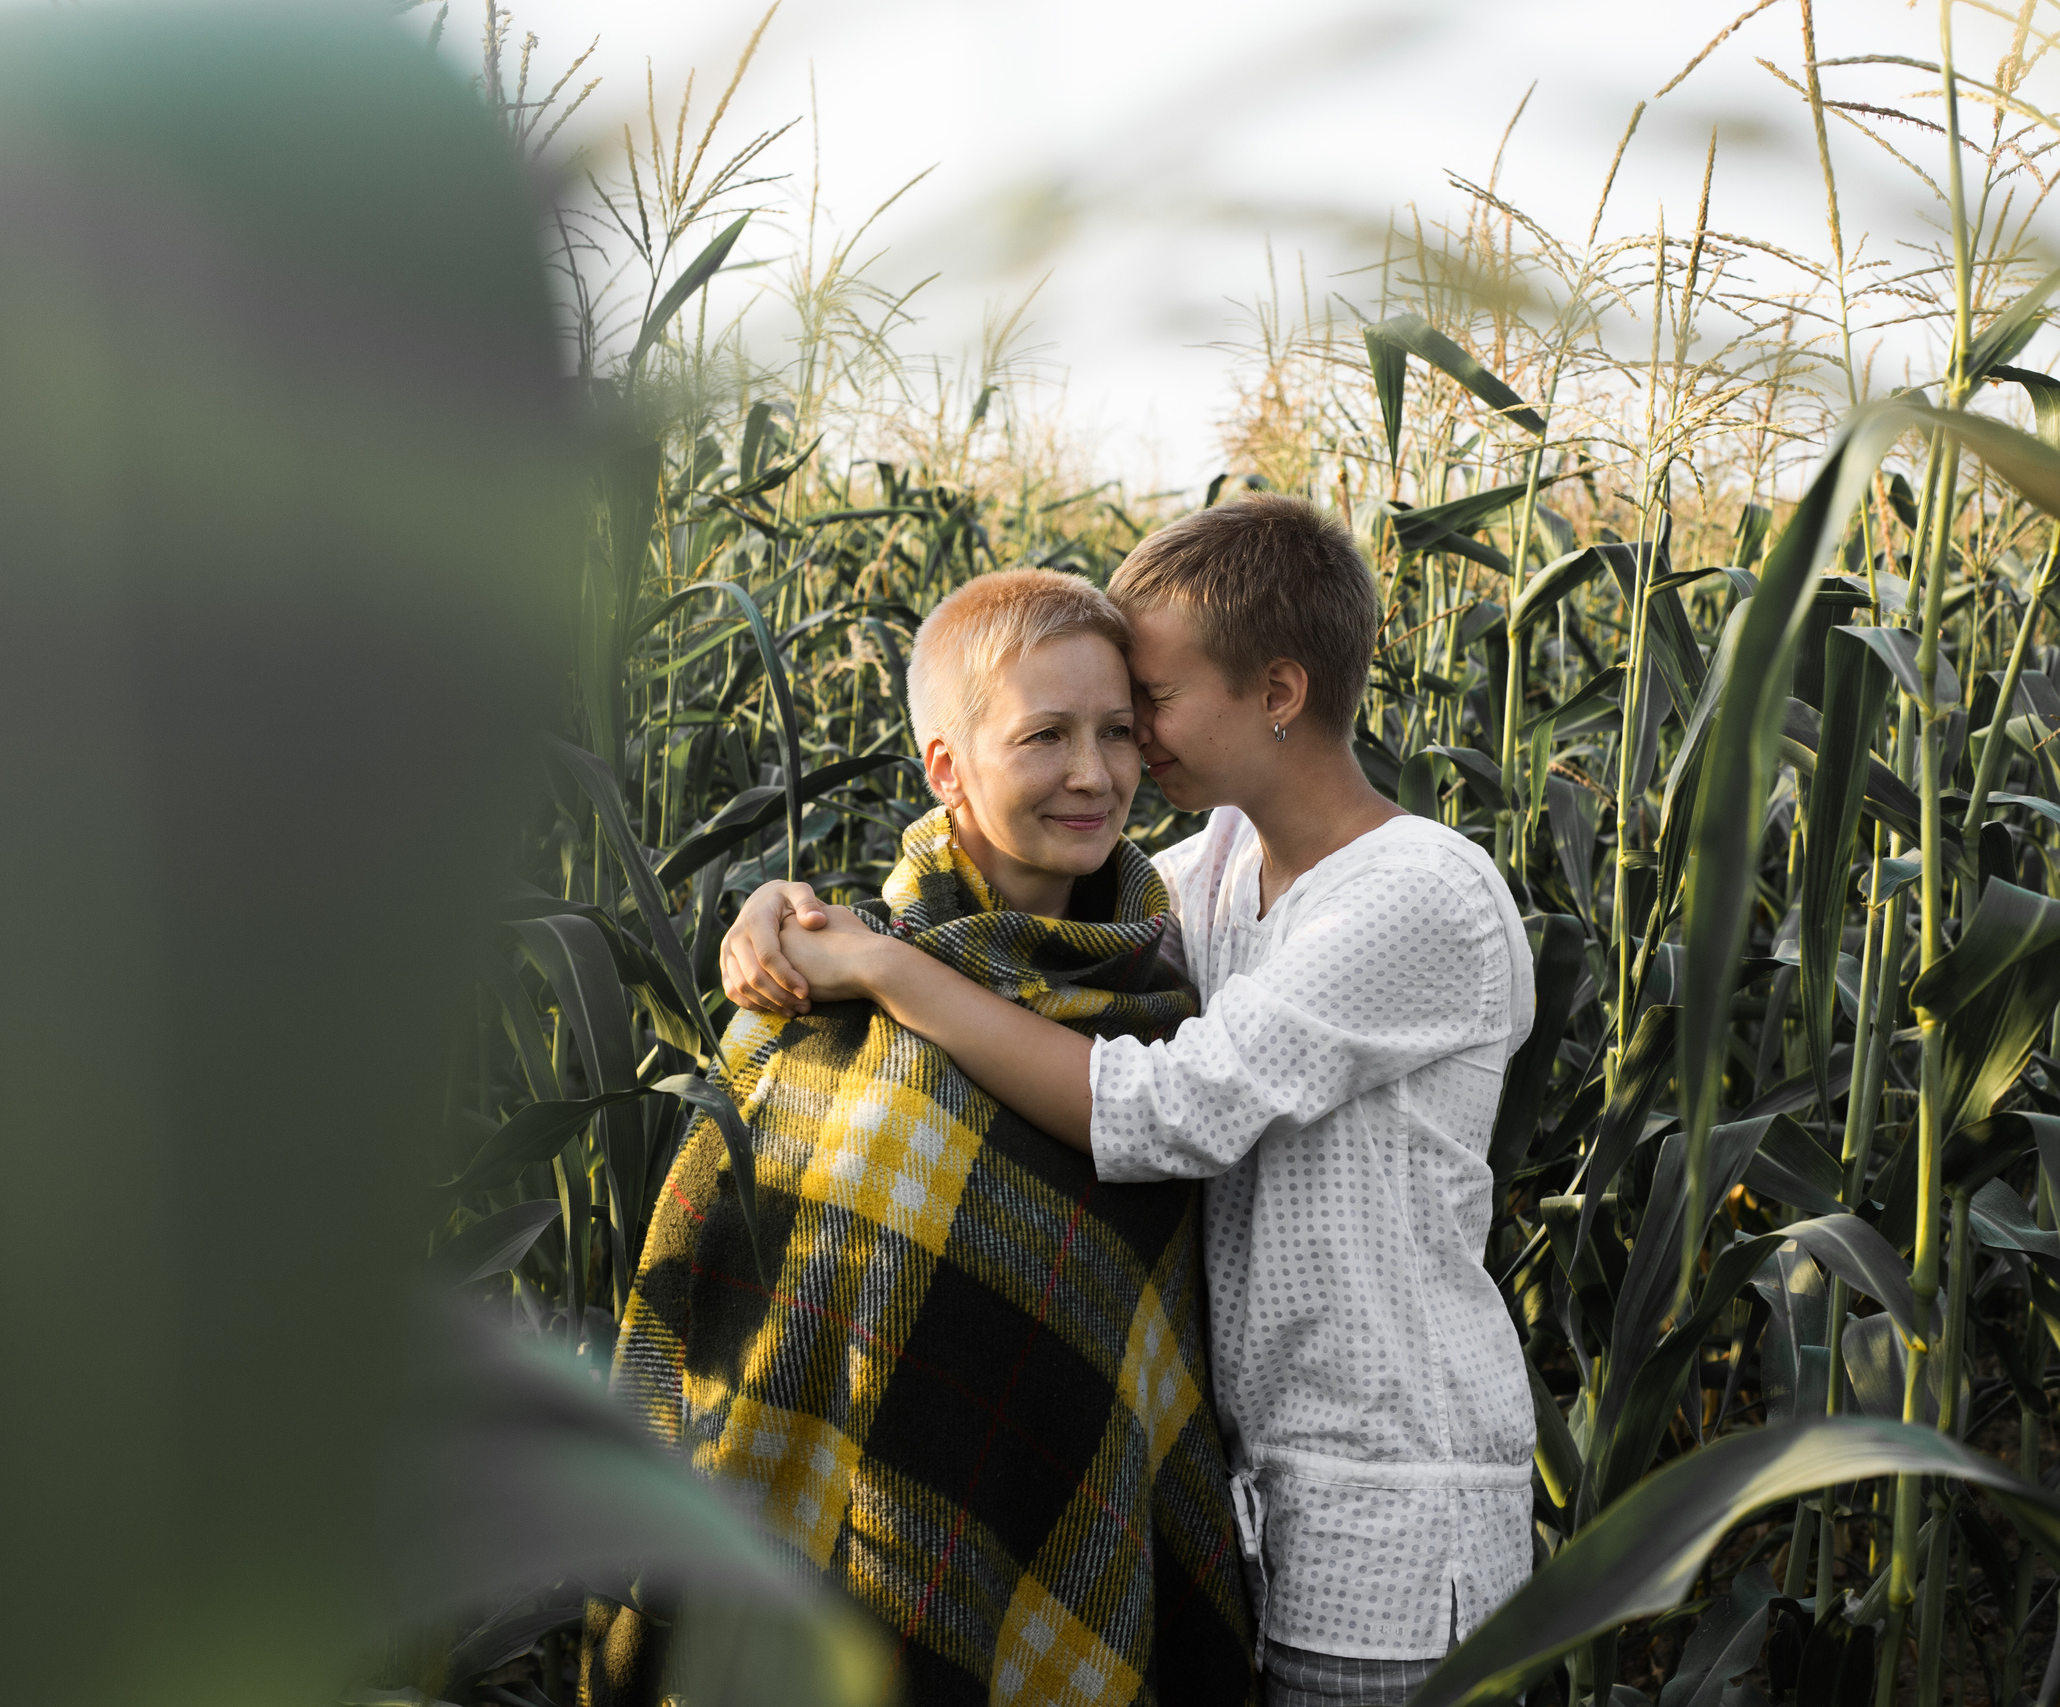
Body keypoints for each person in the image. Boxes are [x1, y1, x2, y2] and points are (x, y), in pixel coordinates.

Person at [721, 494, 1536, 1707]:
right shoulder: (1208, 873)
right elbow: (1026, 890)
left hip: (1393, 1526)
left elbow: (1164, 1113)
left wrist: (889, 968)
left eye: (1147, 701)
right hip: (1260, 1515)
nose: (1125, 747)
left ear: (1275, 692)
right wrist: (776, 902)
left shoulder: (1419, 895)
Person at [595, 569, 1257, 1706]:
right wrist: (767, 908)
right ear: (946, 765)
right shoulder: (818, 1000)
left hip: (1057, 1552)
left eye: (1116, 733)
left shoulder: (1173, 992)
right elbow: (722, 1345)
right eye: (1044, 736)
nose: (1092, 774)